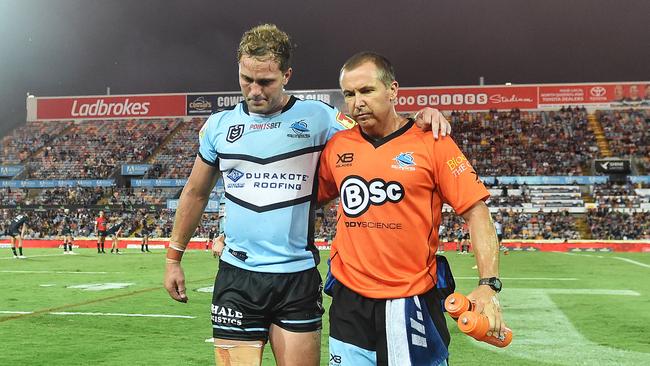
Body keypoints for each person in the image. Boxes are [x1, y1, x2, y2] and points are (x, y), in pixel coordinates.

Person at [162, 24, 451, 366]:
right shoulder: (218, 126)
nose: (254, 90)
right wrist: (173, 258)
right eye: (245, 79)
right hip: (236, 277)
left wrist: (422, 117)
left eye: (266, 82)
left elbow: (378, 134)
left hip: (296, 277)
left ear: (287, 75)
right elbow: (195, 193)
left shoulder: (319, 117)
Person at [317, 52, 506, 365]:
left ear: (392, 90)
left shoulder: (432, 142)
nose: (357, 102)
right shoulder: (338, 146)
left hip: (410, 300)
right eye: (349, 94)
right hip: (348, 301)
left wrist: (488, 285)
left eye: (367, 91)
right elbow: (310, 200)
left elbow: (477, 212)